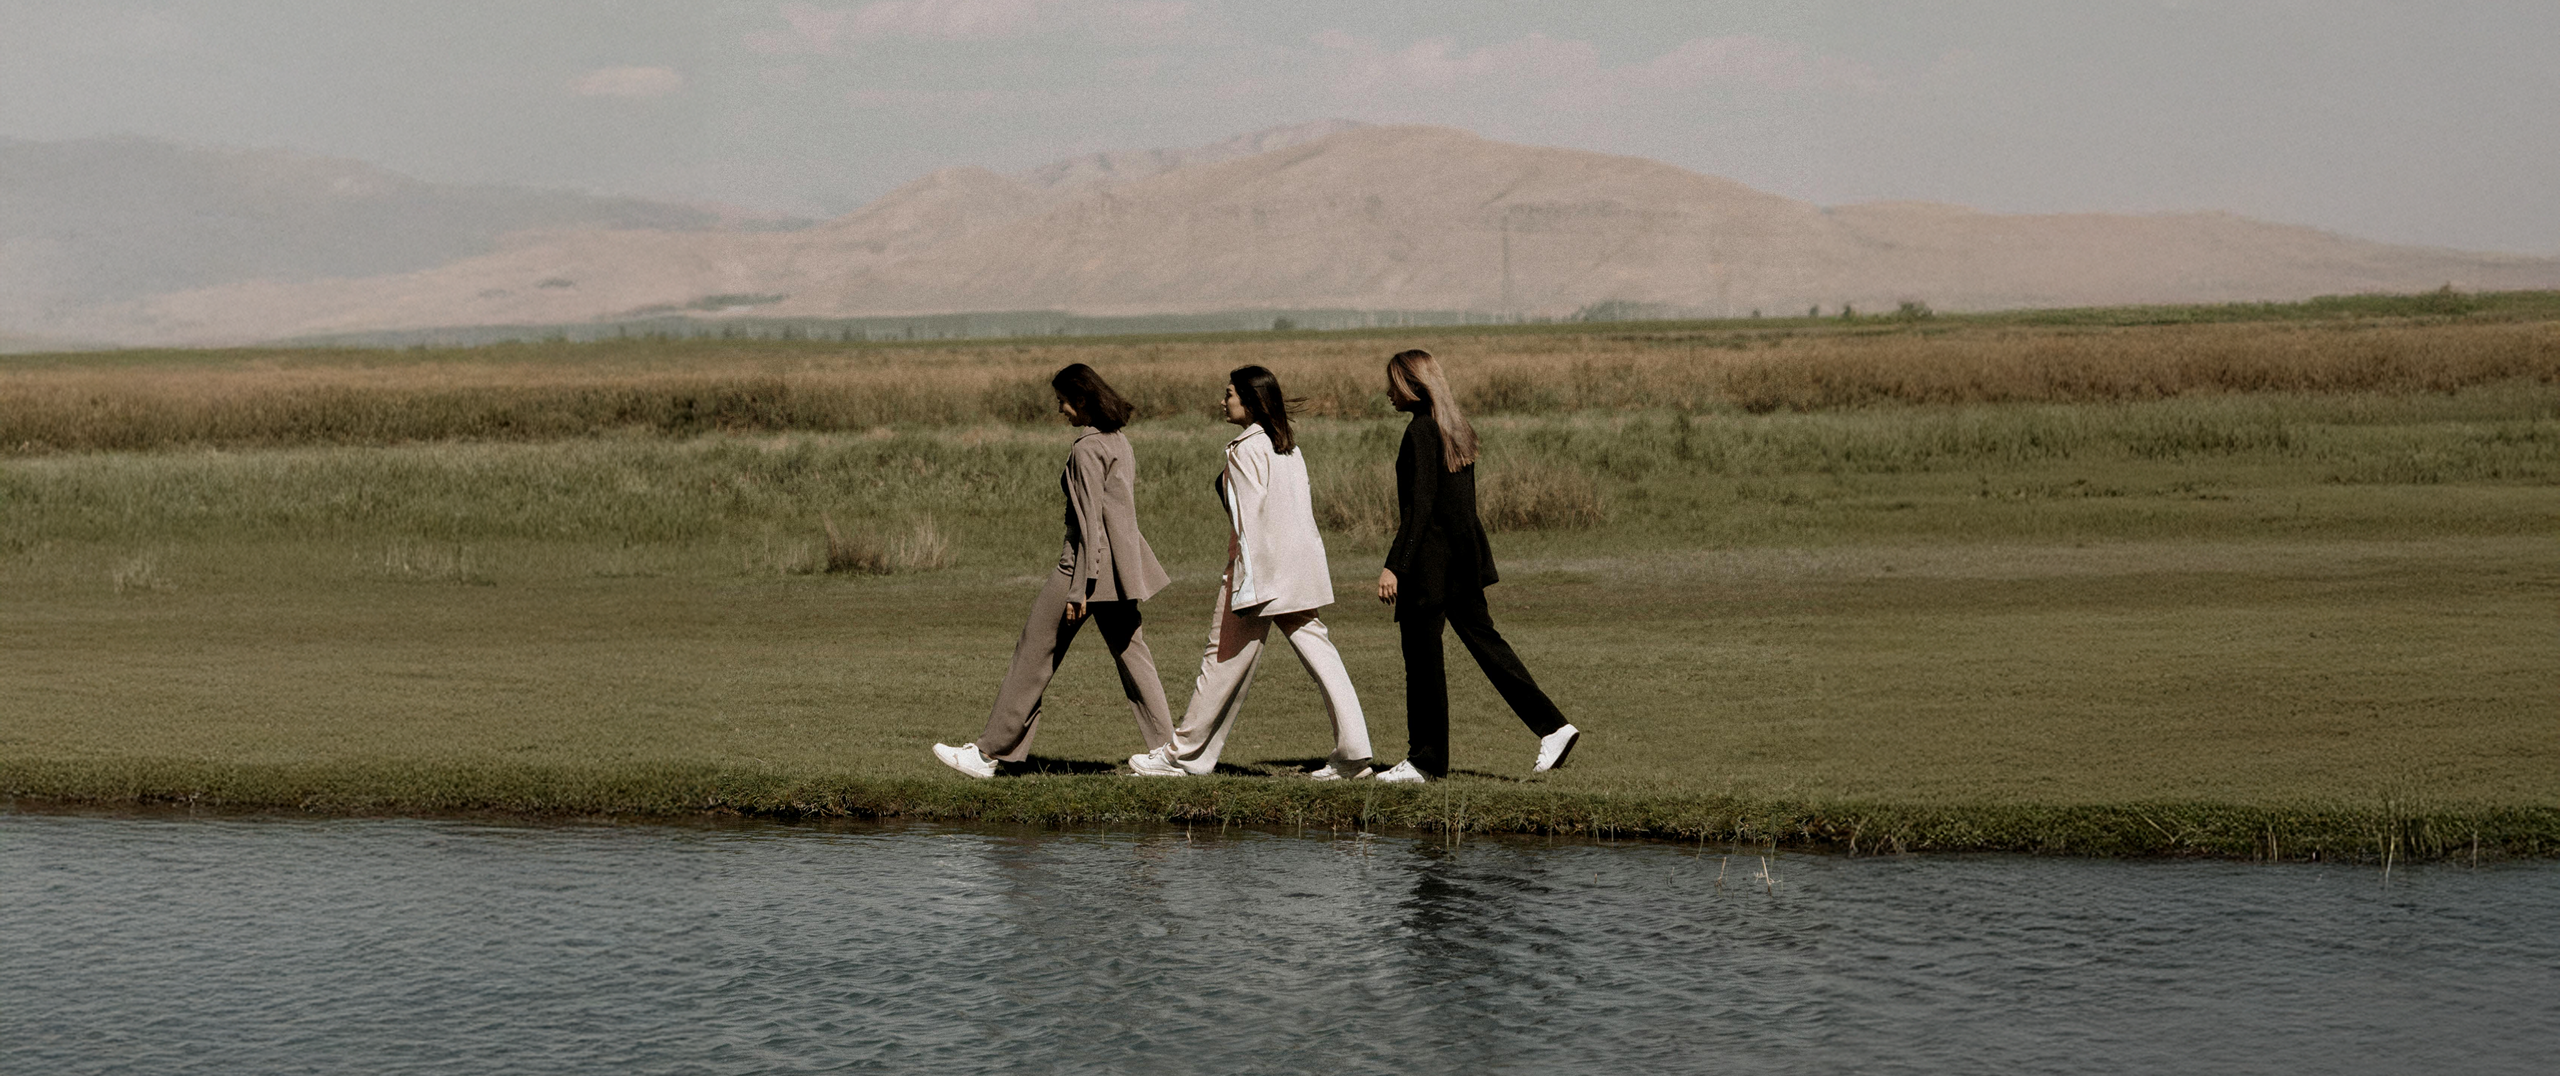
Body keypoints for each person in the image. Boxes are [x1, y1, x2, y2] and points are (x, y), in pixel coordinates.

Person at [1128, 365, 1374, 780]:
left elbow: (1248, 524)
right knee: (1321, 655)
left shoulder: (1244, 449)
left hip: (1259, 574)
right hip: (1298, 570)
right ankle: (1353, 753)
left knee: (1220, 660)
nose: (1223, 401)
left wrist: (1245, 586)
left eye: (1229, 394)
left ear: (1249, 400)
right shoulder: (1287, 446)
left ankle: (1183, 756)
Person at [933, 364, 1175, 778]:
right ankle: (1172, 754)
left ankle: (989, 752)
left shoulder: (1086, 448)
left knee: (1033, 654)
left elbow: (1088, 525)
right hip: (1119, 567)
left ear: (1081, 399)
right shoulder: (1118, 440)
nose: (1059, 409)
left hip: (1082, 566)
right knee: (1135, 657)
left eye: (1062, 400)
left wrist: (1080, 587)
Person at [1371, 349, 1580, 784]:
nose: (1388, 392)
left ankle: (1426, 762)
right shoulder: (1456, 429)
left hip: (1430, 566)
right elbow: (1459, 508)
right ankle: (1554, 727)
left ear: (1413, 385)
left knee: (1423, 659)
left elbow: (1421, 507)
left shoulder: (1421, 433)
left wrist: (1396, 566)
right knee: (1488, 646)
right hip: (1460, 561)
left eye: (1393, 382)